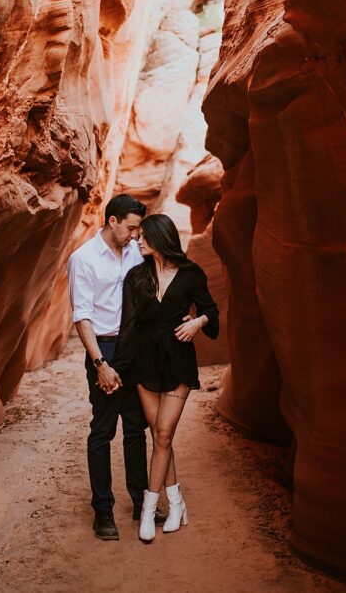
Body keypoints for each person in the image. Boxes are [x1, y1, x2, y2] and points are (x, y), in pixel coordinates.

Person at [110, 213, 220, 542]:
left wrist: (197, 322)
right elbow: (127, 326)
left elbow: (212, 314)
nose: (138, 241)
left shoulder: (191, 275)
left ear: (160, 238)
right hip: (144, 363)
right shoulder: (135, 277)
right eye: (138, 235)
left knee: (162, 433)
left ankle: (148, 509)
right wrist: (117, 367)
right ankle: (176, 504)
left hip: (178, 360)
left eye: (144, 236)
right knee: (161, 437)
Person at [66, 194, 166, 540]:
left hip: (135, 347)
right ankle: (103, 511)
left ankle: (141, 502)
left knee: (136, 428)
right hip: (105, 347)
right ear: (112, 221)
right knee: (103, 430)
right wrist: (100, 365)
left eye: (139, 229)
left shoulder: (137, 253)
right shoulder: (84, 259)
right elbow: (82, 316)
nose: (137, 235)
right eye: (132, 227)